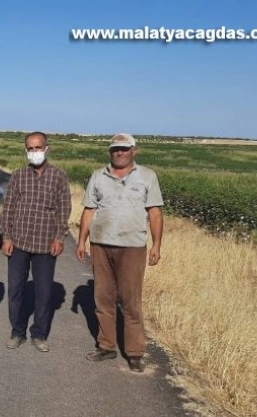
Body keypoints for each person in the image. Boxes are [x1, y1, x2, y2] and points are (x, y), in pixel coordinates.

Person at [75, 133, 164, 373]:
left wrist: (156, 245)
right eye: (115, 149)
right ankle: (106, 346)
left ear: (134, 150)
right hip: (101, 245)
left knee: (130, 300)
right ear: (110, 152)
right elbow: (89, 210)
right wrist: (82, 241)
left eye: (124, 148)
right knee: (103, 297)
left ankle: (134, 352)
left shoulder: (147, 176)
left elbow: (155, 213)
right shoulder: (98, 176)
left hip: (132, 246)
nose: (120, 152)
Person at [0, 132, 71, 352]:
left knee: (44, 292)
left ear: (46, 149)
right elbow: (9, 207)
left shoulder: (58, 177)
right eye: (30, 149)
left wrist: (59, 237)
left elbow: (64, 209)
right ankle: (17, 332)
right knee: (15, 290)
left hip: (45, 244)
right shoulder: (18, 176)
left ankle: (39, 334)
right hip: (19, 242)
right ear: (26, 151)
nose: (34, 152)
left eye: (38, 148)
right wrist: (6, 236)